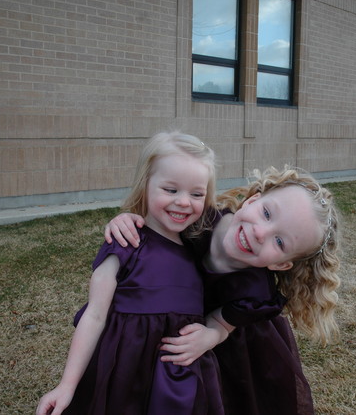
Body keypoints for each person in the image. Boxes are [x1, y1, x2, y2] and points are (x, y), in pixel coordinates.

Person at [105, 165, 341, 415]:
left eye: (280, 242)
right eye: (267, 213)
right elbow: (156, 223)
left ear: (280, 264)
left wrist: (211, 335)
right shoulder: (200, 218)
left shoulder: (256, 292)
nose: (260, 232)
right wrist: (130, 221)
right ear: (252, 201)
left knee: (219, 396)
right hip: (165, 306)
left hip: (228, 344)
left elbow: (222, 322)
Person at [36, 131, 224, 415]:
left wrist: (214, 335)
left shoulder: (199, 249)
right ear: (145, 185)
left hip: (177, 383)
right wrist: (66, 385)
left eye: (196, 194)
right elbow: (95, 315)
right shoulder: (126, 243)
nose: (184, 202)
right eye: (171, 190)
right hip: (122, 375)